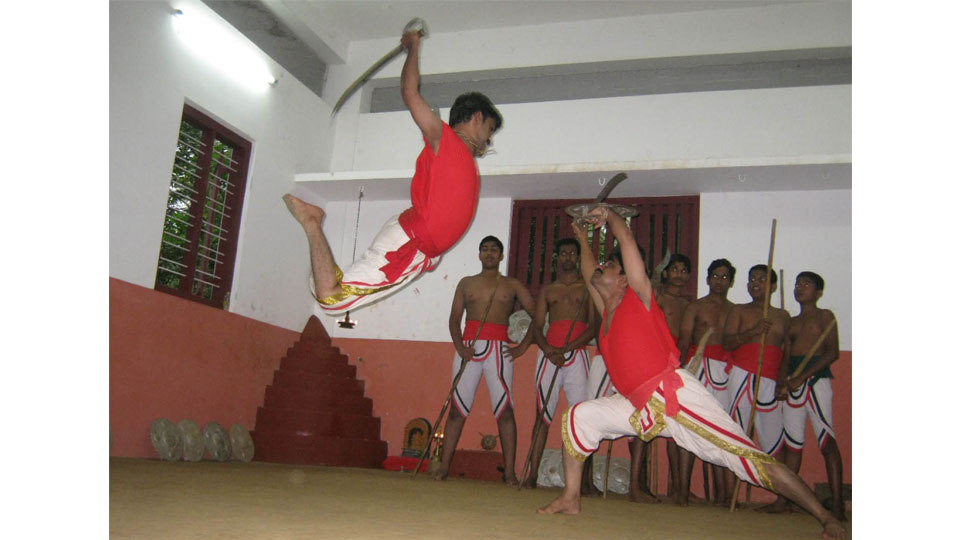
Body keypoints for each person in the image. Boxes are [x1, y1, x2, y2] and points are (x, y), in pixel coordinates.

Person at [536, 208, 845, 540]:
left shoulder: (639, 298)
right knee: (579, 417)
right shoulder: (606, 311)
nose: (602, 267)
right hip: (638, 404)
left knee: (745, 458)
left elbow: (625, 243)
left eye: (610, 266)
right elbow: (588, 272)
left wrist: (611, 217)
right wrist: (582, 236)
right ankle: (571, 497)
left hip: (675, 396)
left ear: (625, 278)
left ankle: (825, 516)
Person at [283, 29, 502, 314]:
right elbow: (410, 93)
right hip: (412, 244)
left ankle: (322, 263)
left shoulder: (460, 157)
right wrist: (413, 47)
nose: (489, 139)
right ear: (477, 117)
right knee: (333, 302)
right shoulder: (444, 138)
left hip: (417, 248)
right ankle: (312, 222)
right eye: (490, 129)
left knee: (335, 296)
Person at [435, 236, 535, 484]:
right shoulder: (466, 283)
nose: (489, 253)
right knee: (457, 410)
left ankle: (510, 473)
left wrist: (523, 346)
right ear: (479, 255)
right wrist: (460, 347)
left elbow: (537, 314)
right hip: (468, 348)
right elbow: (454, 318)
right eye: (485, 249)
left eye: (494, 250)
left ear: (501, 256)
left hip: (500, 351)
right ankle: (444, 467)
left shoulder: (511, 285)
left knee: (506, 412)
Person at [521, 238, 599, 491]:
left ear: (578, 257)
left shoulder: (587, 288)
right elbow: (537, 324)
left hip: (576, 356)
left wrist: (570, 347)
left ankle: (585, 481)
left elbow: (593, 327)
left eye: (572, 253)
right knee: (542, 416)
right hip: (550, 356)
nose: (567, 257)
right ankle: (532, 475)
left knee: (583, 419)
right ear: (557, 257)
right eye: (563, 253)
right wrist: (547, 349)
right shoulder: (548, 290)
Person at [770, 271, 846, 521]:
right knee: (793, 445)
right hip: (793, 383)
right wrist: (782, 383)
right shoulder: (791, 322)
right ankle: (785, 500)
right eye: (797, 283)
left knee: (827, 442)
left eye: (806, 284)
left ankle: (836, 505)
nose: (799, 287)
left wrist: (804, 377)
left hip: (817, 381)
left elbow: (832, 352)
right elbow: (786, 356)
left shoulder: (826, 316)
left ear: (819, 292)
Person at [721, 264, 791, 509]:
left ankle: (783, 498)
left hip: (770, 380)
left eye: (762, 279)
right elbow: (727, 343)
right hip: (743, 375)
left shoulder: (783, 316)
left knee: (774, 437)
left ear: (773, 286)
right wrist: (753, 332)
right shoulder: (739, 311)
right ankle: (732, 496)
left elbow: (787, 352)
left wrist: (782, 381)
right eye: (751, 279)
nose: (755, 283)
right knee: (736, 433)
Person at [675, 258, 737, 505]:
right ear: (707, 279)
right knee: (689, 426)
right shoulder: (695, 308)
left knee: (722, 428)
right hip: (695, 367)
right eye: (715, 276)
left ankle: (724, 494)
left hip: (725, 371)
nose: (719, 281)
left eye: (724, 277)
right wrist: (678, 370)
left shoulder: (735, 310)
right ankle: (681, 490)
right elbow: (684, 340)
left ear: (731, 281)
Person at [656, 253, 691, 503]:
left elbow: (687, 339)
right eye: (674, 269)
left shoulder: (690, 305)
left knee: (677, 422)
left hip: (679, 364)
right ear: (665, 273)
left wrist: (684, 362)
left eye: (683, 270)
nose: (678, 274)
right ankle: (642, 485)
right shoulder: (657, 298)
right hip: (656, 361)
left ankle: (678, 487)